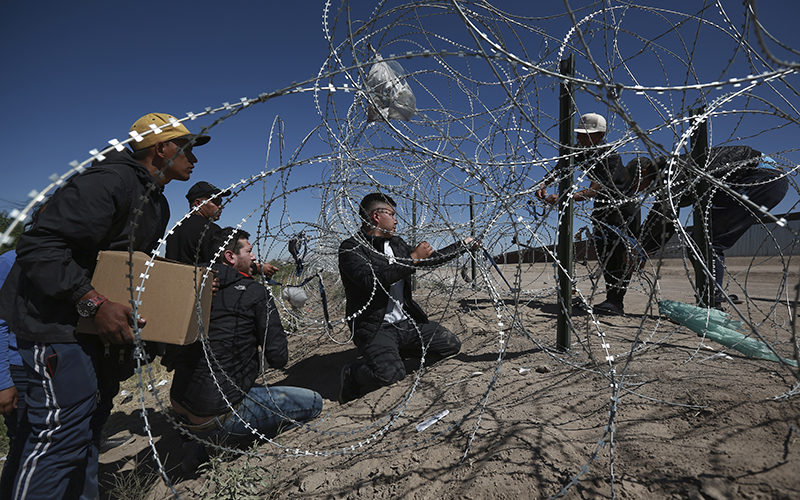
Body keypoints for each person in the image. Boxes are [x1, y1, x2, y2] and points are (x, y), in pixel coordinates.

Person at [0, 112, 210, 500]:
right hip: (59, 329)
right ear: (161, 147)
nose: (193, 157)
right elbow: (39, 247)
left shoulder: (154, 201)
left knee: (85, 435)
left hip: (95, 337)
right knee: (58, 443)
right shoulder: (109, 181)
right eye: (185, 147)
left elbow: (122, 267)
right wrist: (93, 303)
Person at [170, 227, 322, 471]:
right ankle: (215, 446)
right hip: (213, 415)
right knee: (313, 403)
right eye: (249, 252)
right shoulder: (254, 292)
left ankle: (198, 439)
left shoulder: (193, 287)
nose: (254, 258)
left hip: (179, 404)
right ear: (230, 257)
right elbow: (278, 358)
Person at [337, 192, 477, 403]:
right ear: (376, 216)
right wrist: (412, 260)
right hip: (375, 328)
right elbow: (371, 280)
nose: (395, 220)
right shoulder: (351, 248)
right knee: (390, 376)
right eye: (392, 214)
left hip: (405, 323)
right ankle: (353, 374)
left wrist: (462, 245)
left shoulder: (397, 244)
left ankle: (397, 354)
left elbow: (429, 260)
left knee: (450, 345)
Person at [638, 145, 789, 309]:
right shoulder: (678, 169)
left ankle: (711, 306)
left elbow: (663, 215)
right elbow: (667, 218)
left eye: (636, 184)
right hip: (767, 178)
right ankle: (712, 297)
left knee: (706, 241)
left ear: (644, 173)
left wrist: (641, 250)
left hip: (761, 178)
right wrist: (645, 249)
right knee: (702, 240)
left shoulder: (672, 171)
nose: (639, 191)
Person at [535, 112, 641, 315]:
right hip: (603, 209)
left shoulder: (610, 156)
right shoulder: (583, 152)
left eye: (585, 135)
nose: (579, 138)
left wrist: (565, 197)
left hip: (623, 211)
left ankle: (616, 301)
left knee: (618, 256)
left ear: (600, 135)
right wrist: (545, 183)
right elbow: (563, 166)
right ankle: (613, 300)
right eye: (579, 134)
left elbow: (593, 190)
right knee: (605, 254)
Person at [0, 250, 26, 500]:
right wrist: (3, 382)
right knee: (22, 445)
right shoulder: (10, 262)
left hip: (51, 365)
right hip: (19, 370)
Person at [165, 181, 229, 264]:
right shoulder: (210, 229)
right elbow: (217, 266)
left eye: (221, 202)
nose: (220, 207)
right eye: (216, 202)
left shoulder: (175, 229)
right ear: (198, 203)